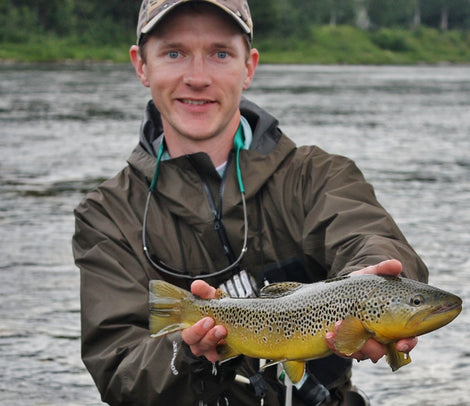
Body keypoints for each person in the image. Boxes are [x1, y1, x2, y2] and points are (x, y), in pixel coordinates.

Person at [72, 0, 428, 405]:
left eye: (220, 54)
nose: (198, 77)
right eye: (174, 53)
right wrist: (188, 352)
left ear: (249, 67)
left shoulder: (318, 175)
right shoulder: (105, 215)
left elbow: (372, 238)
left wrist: (369, 287)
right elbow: (119, 374)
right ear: (142, 65)